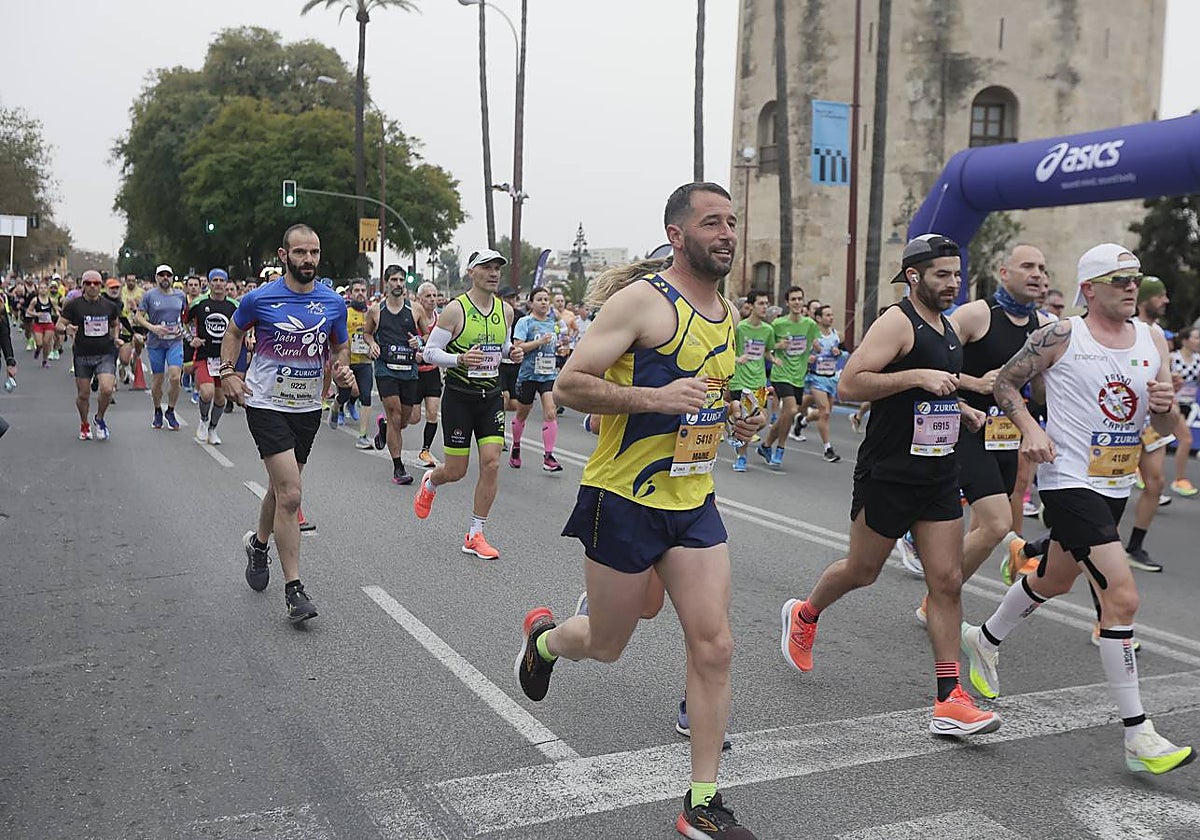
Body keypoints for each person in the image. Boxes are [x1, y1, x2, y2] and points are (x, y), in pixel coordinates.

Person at [515, 183, 764, 839]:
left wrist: (736, 417)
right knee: (607, 641)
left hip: (692, 499)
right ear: (678, 235)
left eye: (732, 222)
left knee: (715, 645)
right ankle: (544, 639)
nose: (727, 233)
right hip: (624, 501)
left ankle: (701, 803)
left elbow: (706, 395)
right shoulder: (642, 303)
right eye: (712, 222)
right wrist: (657, 401)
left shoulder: (729, 313)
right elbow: (569, 384)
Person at [960, 243, 1193, 775]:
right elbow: (1004, 383)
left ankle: (984, 638)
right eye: (1118, 279)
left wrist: (1164, 411)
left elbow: (1168, 425)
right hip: (1067, 480)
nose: (1131, 287)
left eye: (1135, 278)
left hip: (1114, 482)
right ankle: (1138, 734)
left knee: (1057, 578)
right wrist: (1031, 428)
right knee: (1122, 596)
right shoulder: (1062, 335)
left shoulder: (1153, 340)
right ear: (1090, 288)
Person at [780, 235, 1000, 738]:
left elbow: (930, 391)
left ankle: (950, 698)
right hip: (890, 472)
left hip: (938, 470)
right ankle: (806, 613)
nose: (952, 283)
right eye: (942, 274)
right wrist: (916, 375)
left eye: (956, 273)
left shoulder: (947, 328)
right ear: (915, 276)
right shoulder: (897, 322)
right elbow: (851, 384)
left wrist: (958, 408)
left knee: (945, 580)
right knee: (862, 570)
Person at [220, 224, 351, 622]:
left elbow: (339, 344)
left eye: (314, 252)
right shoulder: (260, 298)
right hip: (265, 403)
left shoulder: (332, 302)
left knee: (281, 491)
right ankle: (294, 590)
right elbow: (233, 330)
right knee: (292, 494)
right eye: (300, 252)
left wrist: (342, 369)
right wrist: (227, 371)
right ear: (283, 255)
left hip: (307, 405)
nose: (308, 259)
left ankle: (259, 546)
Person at [947, 244, 1047, 599]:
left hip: (1006, 438)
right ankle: (941, 591)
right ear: (1004, 273)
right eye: (1028, 266)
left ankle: (937, 600)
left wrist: (1039, 382)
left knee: (983, 529)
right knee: (997, 524)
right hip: (967, 428)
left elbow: (1041, 396)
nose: (1038, 274)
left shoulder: (1043, 326)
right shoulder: (975, 315)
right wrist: (974, 383)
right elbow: (928, 363)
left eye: (1042, 268)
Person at [412, 249, 524, 560]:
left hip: (491, 397)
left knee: (491, 463)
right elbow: (429, 353)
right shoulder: (455, 311)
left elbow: (501, 348)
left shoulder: (507, 312)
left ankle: (475, 534)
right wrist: (459, 358)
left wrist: (511, 353)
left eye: (497, 268)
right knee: (457, 471)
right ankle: (431, 481)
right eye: (486, 267)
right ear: (471, 272)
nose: (493, 273)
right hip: (459, 397)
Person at [364, 267, 423, 485]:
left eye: (401, 280)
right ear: (386, 282)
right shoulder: (375, 310)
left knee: (404, 420)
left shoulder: (415, 309)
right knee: (395, 413)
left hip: (408, 370)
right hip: (385, 368)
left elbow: (426, 334)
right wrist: (372, 344)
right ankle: (398, 468)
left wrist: (420, 343)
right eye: (394, 280)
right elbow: (367, 333)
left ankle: (385, 427)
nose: (398, 283)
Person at [757, 285, 817, 468]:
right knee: (790, 411)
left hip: (799, 375)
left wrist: (817, 354)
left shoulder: (810, 325)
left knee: (787, 415)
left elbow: (813, 344)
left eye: (800, 299)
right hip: (781, 373)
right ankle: (780, 448)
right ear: (787, 303)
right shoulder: (778, 324)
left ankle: (766, 445)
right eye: (793, 299)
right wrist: (777, 347)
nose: (797, 302)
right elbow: (766, 347)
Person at [57, 270, 121, 441]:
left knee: (107, 389)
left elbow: (115, 324)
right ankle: (84, 423)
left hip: (105, 353)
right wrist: (67, 329)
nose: (92, 286)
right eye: (88, 283)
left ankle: (99, 419)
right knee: (83, 394)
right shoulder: (73, 305)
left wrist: (115, 338)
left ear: (101, 286)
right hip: (82, 354)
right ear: (83, 286)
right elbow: (59, 325)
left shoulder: (109, 306)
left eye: (96, 283)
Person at [510, 286, 563, 471]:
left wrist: (559, 349)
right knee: (522, 413)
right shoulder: (525, 322)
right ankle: (516, 446)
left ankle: (548, 456)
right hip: (528, 375)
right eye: (539, 299)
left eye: (546, 300)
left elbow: (554, 344)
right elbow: (517, 347)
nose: (544, 303)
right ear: (531, 303)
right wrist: (539, 342)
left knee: (550, 412)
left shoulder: (552, 323)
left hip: (548, 375)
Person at [186, 269, 238, 445]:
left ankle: (213, 428)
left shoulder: (233, 306)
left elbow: (244, 327)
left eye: (221, 280)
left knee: (221, 399)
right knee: (206, 393)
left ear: (226, 283)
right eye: (214, 280)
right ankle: (203, 420)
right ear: (208, 283)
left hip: (224, 358)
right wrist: (191, 338)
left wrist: (249, 338)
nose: (217, 283)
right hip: (204, 356)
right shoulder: (199, 303)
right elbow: (182, 321)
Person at [728, 289, 774, 472]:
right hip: (740, 381)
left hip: (759, 381)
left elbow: (767, 352)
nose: (765, 307)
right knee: (747, 419)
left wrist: (776, 359)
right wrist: (737, 359)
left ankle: (738, 435)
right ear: (752, 305)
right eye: (761, 303)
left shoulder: (768, 330)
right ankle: (741, 456)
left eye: (766, 304)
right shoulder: (740, 328)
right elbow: (729, 348)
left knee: (761, 421)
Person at [136, 264, 187, 430]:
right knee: (158, 381)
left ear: (172, 277)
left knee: (174, 377)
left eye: (168, 275)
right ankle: (158, 410)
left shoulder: (180, 295)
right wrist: (152, 328)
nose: (165, 277)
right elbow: (138, 316)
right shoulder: (149, 295)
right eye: (162, 275)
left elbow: (185, 317)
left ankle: (170, 410)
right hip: (156, 343)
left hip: (175, 341)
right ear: (157, 277)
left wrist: (183, 329)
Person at [332, 279, 375, 449]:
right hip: (346, 360)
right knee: (346, 392)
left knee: (365, 395)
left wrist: (373, 345)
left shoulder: (372, 313)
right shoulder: (345, 312)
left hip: (364, 360)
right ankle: (338, 406)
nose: (360, 293)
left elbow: (376, 333)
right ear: (351, 293)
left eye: (363, 290)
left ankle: (363, 435)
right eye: (357, 290)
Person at [804, 304, 844, 463]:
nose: (831, 317)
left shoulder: (836, 336)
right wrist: (809, 358)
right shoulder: (813, 336)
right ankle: (828, 448)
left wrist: (838, 353)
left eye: (832, 315)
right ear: (819, 318)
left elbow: (840, 353)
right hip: (816, 377)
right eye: (827, 315)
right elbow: (802, 354)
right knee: (825, 412)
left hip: (831, 377)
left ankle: (803, 420)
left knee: (824, 413)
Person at [413, 281, 442, 468]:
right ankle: (386, 423)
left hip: (432, 372)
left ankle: (425, 450)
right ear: (419, 299)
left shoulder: (441, 320)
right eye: (428, 296)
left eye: (434, 296)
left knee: (432, 412)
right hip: (414, 373)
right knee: (413, 418)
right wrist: (412, 355)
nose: (432, 300)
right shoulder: (412, 319)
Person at [1170, 326, 1199, 493]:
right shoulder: (1172, 358)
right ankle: (1180, 480)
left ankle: (1139, 470)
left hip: (1190, 406)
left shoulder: (1198, 359)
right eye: (1195, 338)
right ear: (1185, 340)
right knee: (1186, 440)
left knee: (1155, 440)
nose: (1198, 341)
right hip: (1173, 403)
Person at [25, 279, 58, 366]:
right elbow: (28, 311)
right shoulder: (35, 300)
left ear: (47, 290)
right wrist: (36, 314)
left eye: (45, 288)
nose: (43, 290)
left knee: (46, 343)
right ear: (38, 290)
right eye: (41, 288)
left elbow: (56, 310)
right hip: (38, 324)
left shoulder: (51, 300)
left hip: (48, 324)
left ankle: (45, 360)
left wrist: (58, 314)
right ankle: (38, 349)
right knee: (39, 343)